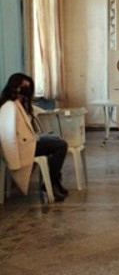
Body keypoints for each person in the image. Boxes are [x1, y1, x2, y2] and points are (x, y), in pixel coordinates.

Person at [0, 73, 68, 202]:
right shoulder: (9, 107)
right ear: (14, 87)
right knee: (61, 145)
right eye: (23, 86)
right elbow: (7, 137)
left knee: (57, 140)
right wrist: (14, 163)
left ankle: (54, 181)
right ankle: (52, 182)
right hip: (23, 147)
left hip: (29, 142)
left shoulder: (22, 104)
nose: (26, 89)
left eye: (28, 86)